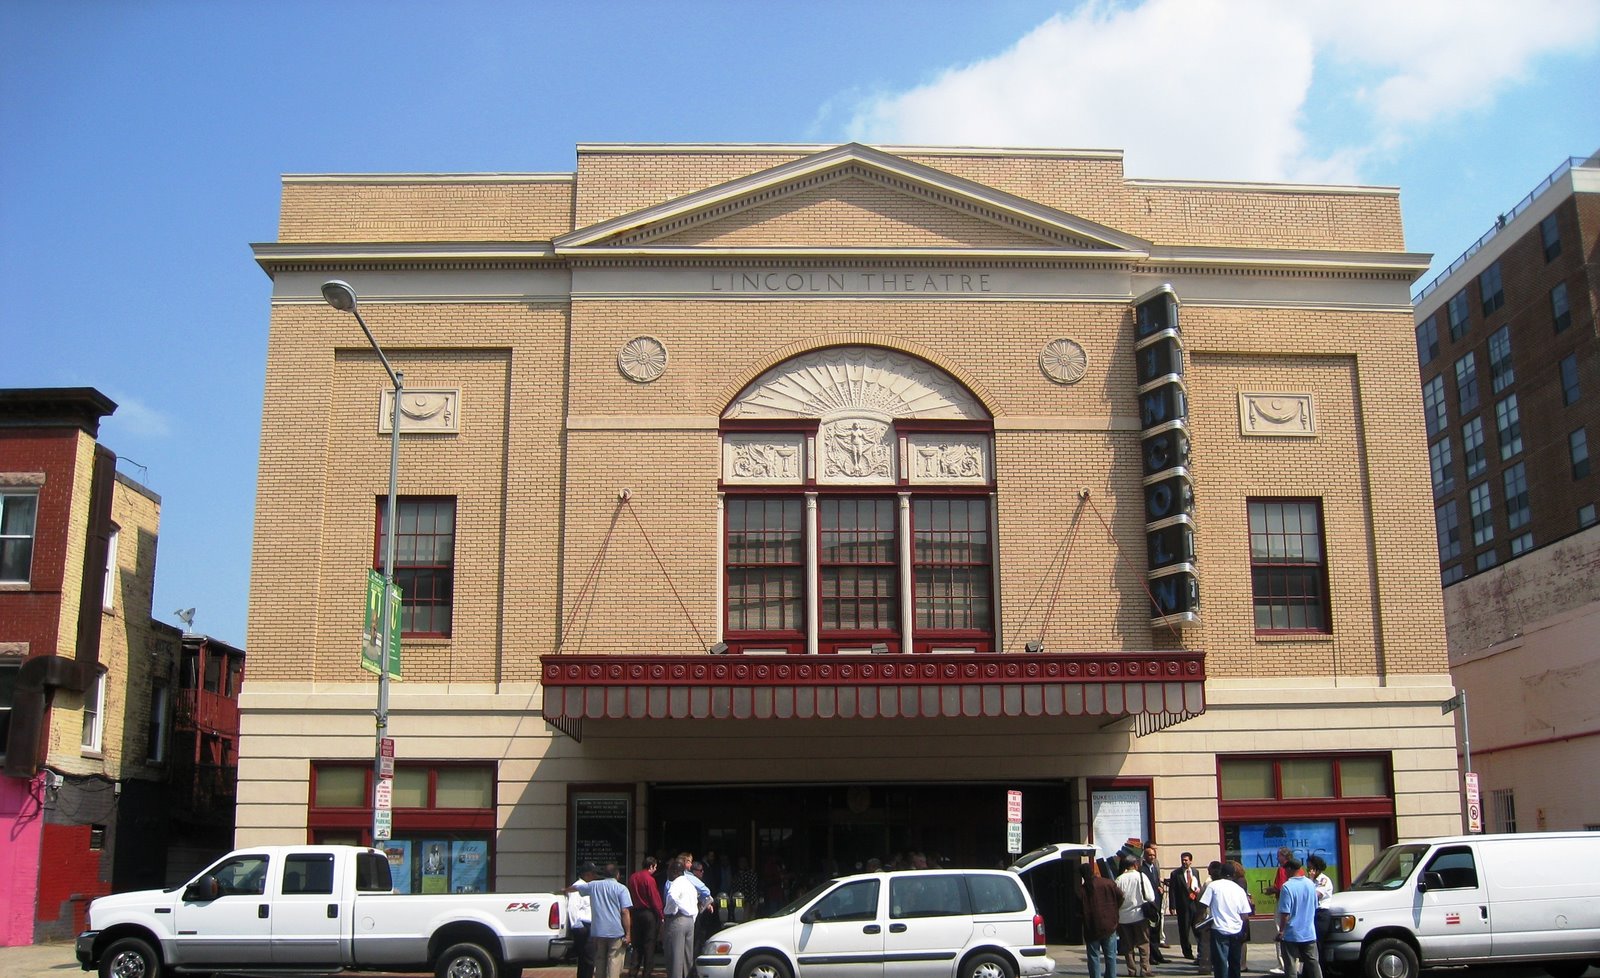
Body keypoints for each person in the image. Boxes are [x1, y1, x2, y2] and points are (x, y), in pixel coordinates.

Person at [568, 862, 633, 978]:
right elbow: (625, 911)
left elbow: (576, 888)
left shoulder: (593, 885)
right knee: (613, 960)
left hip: (597, 931)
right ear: (617, 875)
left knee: (599, 960)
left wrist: (564, 890)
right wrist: (628, 933)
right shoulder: (622, 889)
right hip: (615, 931)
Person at [1199, 861, 1253, 978]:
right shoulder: (1239, 890)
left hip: (1218, 928)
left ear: (1221, 873)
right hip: (1236, 929)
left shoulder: (1213, 886)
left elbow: (1203, 905)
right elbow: (1245, 915)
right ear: (1233, 875)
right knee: (1235, 962)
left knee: (1220, 962)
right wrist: (1245, 932)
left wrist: (1203, 921)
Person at [1275, 857, 1322, 978]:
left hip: (1292, 933)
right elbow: (1315, 906)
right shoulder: (1311, 884)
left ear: (1290, 869)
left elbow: (1285, 913)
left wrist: (1281, 931)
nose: (1285, 872)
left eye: (1286, 869)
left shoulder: (1287, 887)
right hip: (1309, 931)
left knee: (1290, 966)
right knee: (1313, 963)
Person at [662, 856, 705, 978]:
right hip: (690, 921)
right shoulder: (690, 884)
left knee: (675, 956)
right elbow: (695, 904)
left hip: (677, 919)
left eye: (669, 871)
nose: (668, 874)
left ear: (675, 872)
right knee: (687, 957)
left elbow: (672, 897)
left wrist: (672, 910)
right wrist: (691, 918)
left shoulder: (676, 883)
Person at [1078, 861, 1122, 978]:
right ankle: (1112, 976)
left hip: (1092, 926)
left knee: (1093, 956)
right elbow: (1121, 895)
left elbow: (1078, 911)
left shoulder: (1082, 890)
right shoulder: (1108, 883)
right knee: (1110, 956)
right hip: (1109, 924)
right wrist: (1115, 909)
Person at [1116, 855, 1156, 977]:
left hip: (1123, 917)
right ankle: (1145, 970)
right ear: (1135, 865)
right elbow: (1151, 897)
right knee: (1143, 944)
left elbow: (1116, 898)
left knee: (1128, 946)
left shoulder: (1119, 879)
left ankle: (1131, 971)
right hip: (1139, 916)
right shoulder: (1141, 877)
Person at [627, 856, 663, 978]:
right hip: (648, 913)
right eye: (655, 867)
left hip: (636, 913)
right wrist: (660, 914)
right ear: (651, 866)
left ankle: (633, 971)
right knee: (649, 944)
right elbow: (654, 899)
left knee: (637, 944)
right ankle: (646, 973)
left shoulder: (632, 877)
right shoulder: (649, 879)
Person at [1168, 850, 1202, 960]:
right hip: (1182, 906)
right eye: (1182, 860)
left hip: (1194, 905)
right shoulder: (1175, 874)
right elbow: (1172, 890)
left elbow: (1198, 886)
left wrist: (1198, 892)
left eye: (1186, 860)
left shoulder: (1195, 872)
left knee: (1198, 929)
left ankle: (1201, 951)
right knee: (1184, 930)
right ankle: (1187, 952)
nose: (1184, 862)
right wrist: (1172, 906)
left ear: (1191, 861)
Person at [1265, 847, 1294, 976]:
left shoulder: (1283, 869)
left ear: (1284, 857)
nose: (1277, 858)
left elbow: (1281, 888)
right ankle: (1292, 963)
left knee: (1280, 931)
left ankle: (1283, 964)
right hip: (1293, 904)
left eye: (1279, 855)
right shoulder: (1296, 870)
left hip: (1283, 903)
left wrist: (1271, 890)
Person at [1141, 844, 1168, 963]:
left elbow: (1156, 882)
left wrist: (1159, 887)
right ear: (1145, 856)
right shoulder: (1142, 870)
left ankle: (1157, 955)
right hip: (1148, 904)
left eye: (1153, 855)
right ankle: (1152, 956)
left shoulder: (1155, 867)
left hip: (1156, 901)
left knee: (1156, 931)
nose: (1152, 857)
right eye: (1150, 855)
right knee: (1150, 932)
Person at [569, 865, 594, 978]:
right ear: (586, 874)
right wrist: (577, 925)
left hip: (589, 925)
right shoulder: (577, 887)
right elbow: (572, 907)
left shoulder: (587, 886)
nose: (595, 877)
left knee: (587, 958)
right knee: (587, 958)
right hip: (582, 925)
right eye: (593, 874)